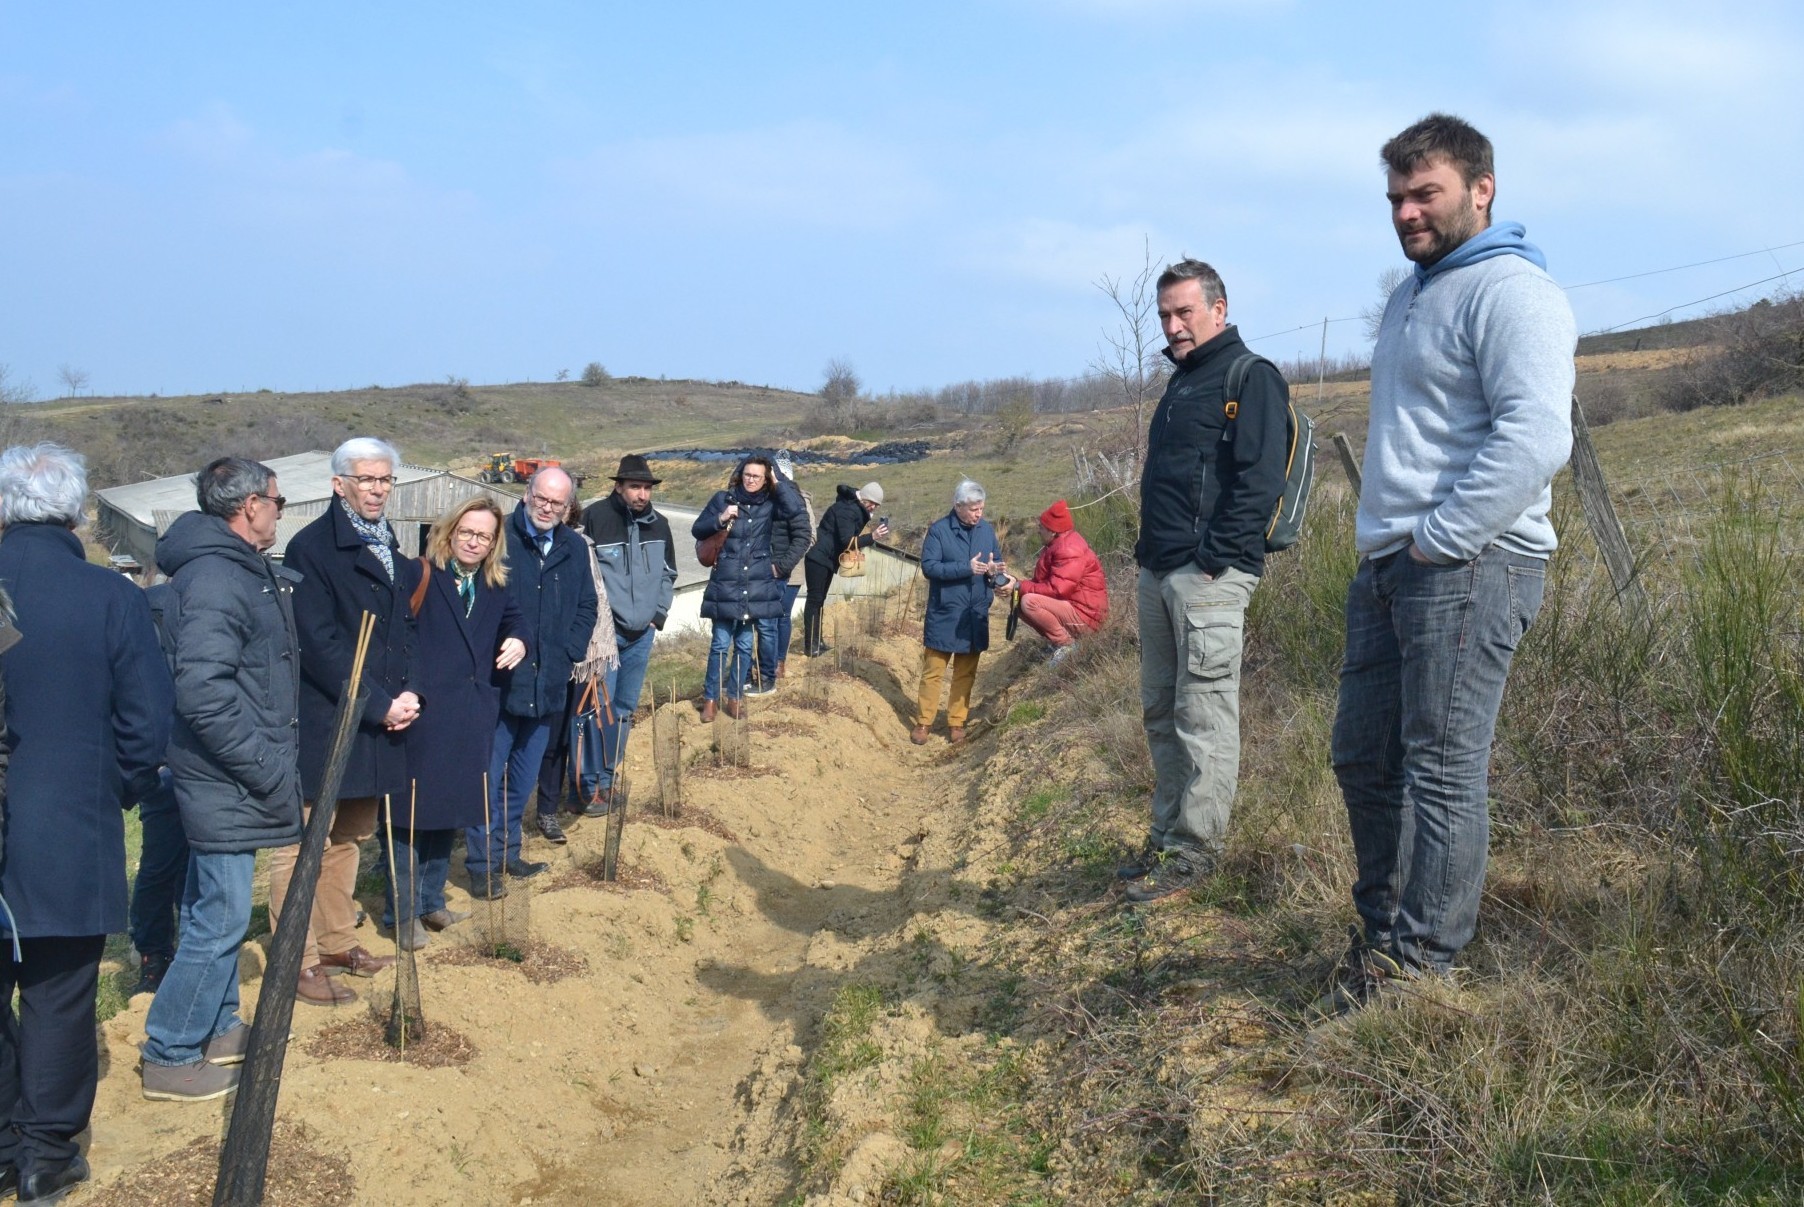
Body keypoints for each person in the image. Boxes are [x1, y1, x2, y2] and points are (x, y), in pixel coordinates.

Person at [1324, 113, 1574, 1006]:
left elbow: (1538, 435)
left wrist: (1443, 536)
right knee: (1362, 757)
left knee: (1439, 766)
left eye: (1425, 193)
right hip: (1391, 567)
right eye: (1395, 197)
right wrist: (1395, 547)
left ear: (1482, 189)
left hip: (1470, 563)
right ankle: (1384, 938)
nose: (1405, 212)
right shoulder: (1410, 295)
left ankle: (1420, 972)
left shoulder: (1513, 291)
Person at [0, 443, 171, 1200]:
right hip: (68, 822)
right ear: (75, 513)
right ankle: (45, 1154)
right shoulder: (110, 596)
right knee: (60, 994)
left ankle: (9, 1137)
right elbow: (146, 725)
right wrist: (114, 789)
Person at [1121, 259, 1291, 904]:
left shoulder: (1252, 377)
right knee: (1162, 711)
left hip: (1207, 577)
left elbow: (1259, 481)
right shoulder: (1182, 382)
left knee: (1204, 715)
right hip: (1160, 570)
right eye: (1165, 315)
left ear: (1218, 309)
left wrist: (1215, 556)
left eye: (1184, 312)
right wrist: (1150, 557)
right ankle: (1167, 838)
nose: (1173, 326)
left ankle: (1196, 853)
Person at [140, 458, 302, 1102]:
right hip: (225, 776)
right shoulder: (214, 578)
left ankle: (215, 1027)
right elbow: (204, 694)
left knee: (218, 909)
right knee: (220, 916)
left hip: (230, 775)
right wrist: (263, 765)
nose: (280, 510)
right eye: (279, 500)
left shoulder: (238, 569)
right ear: (249, 507)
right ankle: (171, 1051)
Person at [273, 437, 419, 1006]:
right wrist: (380, 702)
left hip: (377, 717)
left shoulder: (386, 541)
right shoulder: (311, 548)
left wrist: (408, 695)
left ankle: (336, 942)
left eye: (385, 480)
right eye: (367, 480)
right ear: (339, 485)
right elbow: (322, 644)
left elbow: (400, 633)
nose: (378, 489)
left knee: (349, 838)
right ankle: (297, 959)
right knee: (304, 843)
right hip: (329, 716)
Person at [394, 497, 527, 937]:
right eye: (467, 532)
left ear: (494, 544)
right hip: (426, 712)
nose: (474, 542)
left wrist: (520, 641)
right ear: (449, 532)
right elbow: (397, 637)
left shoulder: (494, 585)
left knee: (448, 812)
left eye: (484, 536)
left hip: (470, 715)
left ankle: (432, 902)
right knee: (411, 816)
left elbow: (516, 621)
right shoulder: (420, 574)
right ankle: (402, 913)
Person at [473, 467, 596, 884]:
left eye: (557, 503)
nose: (547, 508)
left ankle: (509, 855)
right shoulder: (500, 537)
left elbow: (587, 606)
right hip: (500, 684)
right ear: (527, 494)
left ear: (568, 507)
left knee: (521, 782)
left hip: (548, 687)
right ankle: (482, 865)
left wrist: (569, 652)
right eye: (541, 498)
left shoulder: (574, 548)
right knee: (486, 781)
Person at [580, 454, 678, 805]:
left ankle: (608, 780)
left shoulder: (660, 524)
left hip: (641, 636)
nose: (642, 494)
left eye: (647, 488)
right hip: (603, 637)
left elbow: (669, 573)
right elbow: (582, 577)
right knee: (595, 711)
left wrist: (658, 616)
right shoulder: (594, 518)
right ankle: (587, 787)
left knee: (622, 710)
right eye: (635, 486)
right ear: (618, 486)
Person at [692, 455, 796, 720]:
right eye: (748, 475)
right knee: (719, 643)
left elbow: (795, 510)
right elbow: (698, 529)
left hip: (755, 584)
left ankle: (735, 698)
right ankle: (711, 699)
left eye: (757, 476)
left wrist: (778, 481)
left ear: (765, 479)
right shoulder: (722, 499)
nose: (751, 480)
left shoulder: (771, 504)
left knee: (745, 644)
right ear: (741, 475)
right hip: (726, 582)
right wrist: (721, 517)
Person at [913, 479, 1004, 745]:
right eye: (974, 508)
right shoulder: (939, 531)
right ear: (958, 506)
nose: (979, 513)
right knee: (933, 671)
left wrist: (995, 570)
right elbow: (930, 567)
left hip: (974, 614)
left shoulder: (986, 531)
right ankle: (924, 722)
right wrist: (966, 568)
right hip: (945, 612)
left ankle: (957, 722)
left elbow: (995, 560)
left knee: (966, 672)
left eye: (982, 508)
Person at [1005, 500, 1108, 664]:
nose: (1038, 530)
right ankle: (1058, 643)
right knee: (1017, 600)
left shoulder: (1068, 550)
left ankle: (1067, 645)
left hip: (1087, 616)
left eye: (1041, 527)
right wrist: (1015, 586)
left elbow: (1058, 590)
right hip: (1075, 609)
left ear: (1052, 531)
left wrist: (1019, 585)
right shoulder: (1057, 545)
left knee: (1029, 602)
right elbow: (1042, 585)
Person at [801, 481, 889, 658]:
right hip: (819, 557)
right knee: (814, 600)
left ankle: (817, 642)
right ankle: (811, 646)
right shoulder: (847, 510)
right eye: (873, 503)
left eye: (876, 506)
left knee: (819, 601)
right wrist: (872, 537)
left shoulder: (853, 508)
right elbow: (847, 541)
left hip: (826, 558)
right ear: (865, 499)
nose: (873, 508)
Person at [753, 451, 814, 691]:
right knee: (767, 618)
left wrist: (786, 560)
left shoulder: (799, 500)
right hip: (771, 567)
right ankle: (764, 664)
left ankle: (778, 662)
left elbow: (809, 535)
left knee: (781, 616)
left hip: (792, 569)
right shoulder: (767, 499)